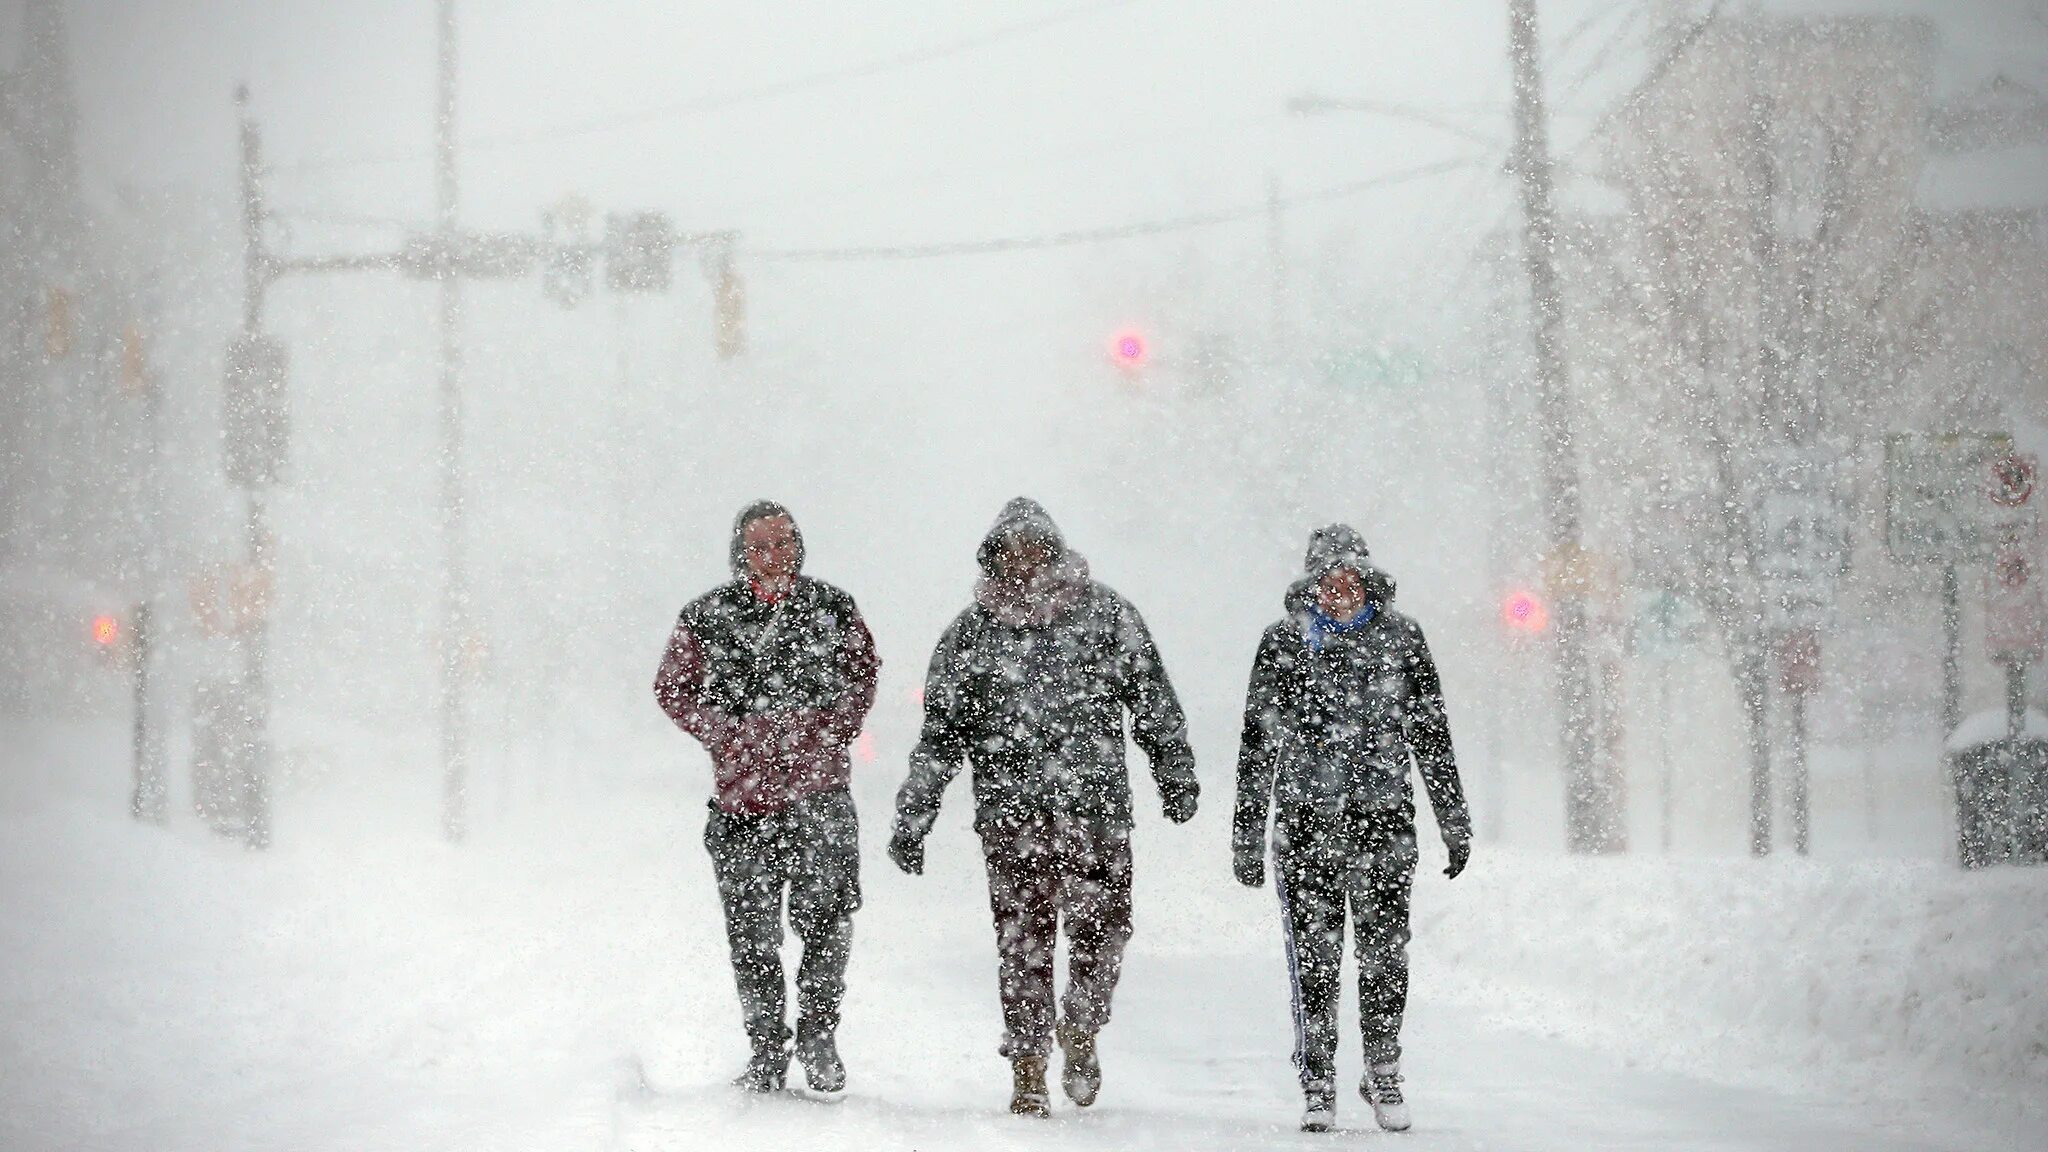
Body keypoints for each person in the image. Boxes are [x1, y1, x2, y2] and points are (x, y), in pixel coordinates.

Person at [888, 497, 1198, 1118]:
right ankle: (1028, 1064)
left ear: (1055, 552)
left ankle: (1080, 1029)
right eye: (1012, 551)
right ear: (994, 558)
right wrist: (914, 815)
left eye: (1036, 549)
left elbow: (1151, 694)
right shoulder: (971, 634)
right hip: (1011, 817)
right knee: (1022, 943)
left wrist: (1174, 769)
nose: (1025, 562)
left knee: (1103, 930)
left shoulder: (1105, 614)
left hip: (1096, 811)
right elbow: (940, 735)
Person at [1231, 525, 1471, 1133]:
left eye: (1350, 574)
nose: (1340, 585)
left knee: (1384, 954)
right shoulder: (1284, 643)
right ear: (1311, 582)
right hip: (1306, 824)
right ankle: (1317, 1079)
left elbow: (1431, 734)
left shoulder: (1402, 639)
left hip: (1383, 822)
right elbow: (1257, 745)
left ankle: (1384, 1068)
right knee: (1313, 958)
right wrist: (1247, 833)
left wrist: (1453, 820)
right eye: (1329, 575)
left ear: (1367, 578)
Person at [653, 500, 879, 1096]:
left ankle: (819, 1035)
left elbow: (864, 672)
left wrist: (832, 727)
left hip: (820, 798)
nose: (772, 556)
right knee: (752, 937)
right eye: (758, 546)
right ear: (740, 553)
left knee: (829, 924)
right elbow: (671, 687)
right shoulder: (707, 615)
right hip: (741, 806)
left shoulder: (831, 607)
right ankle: (765, 1050)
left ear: (799, 547)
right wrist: (724, 734)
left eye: (781, 543)